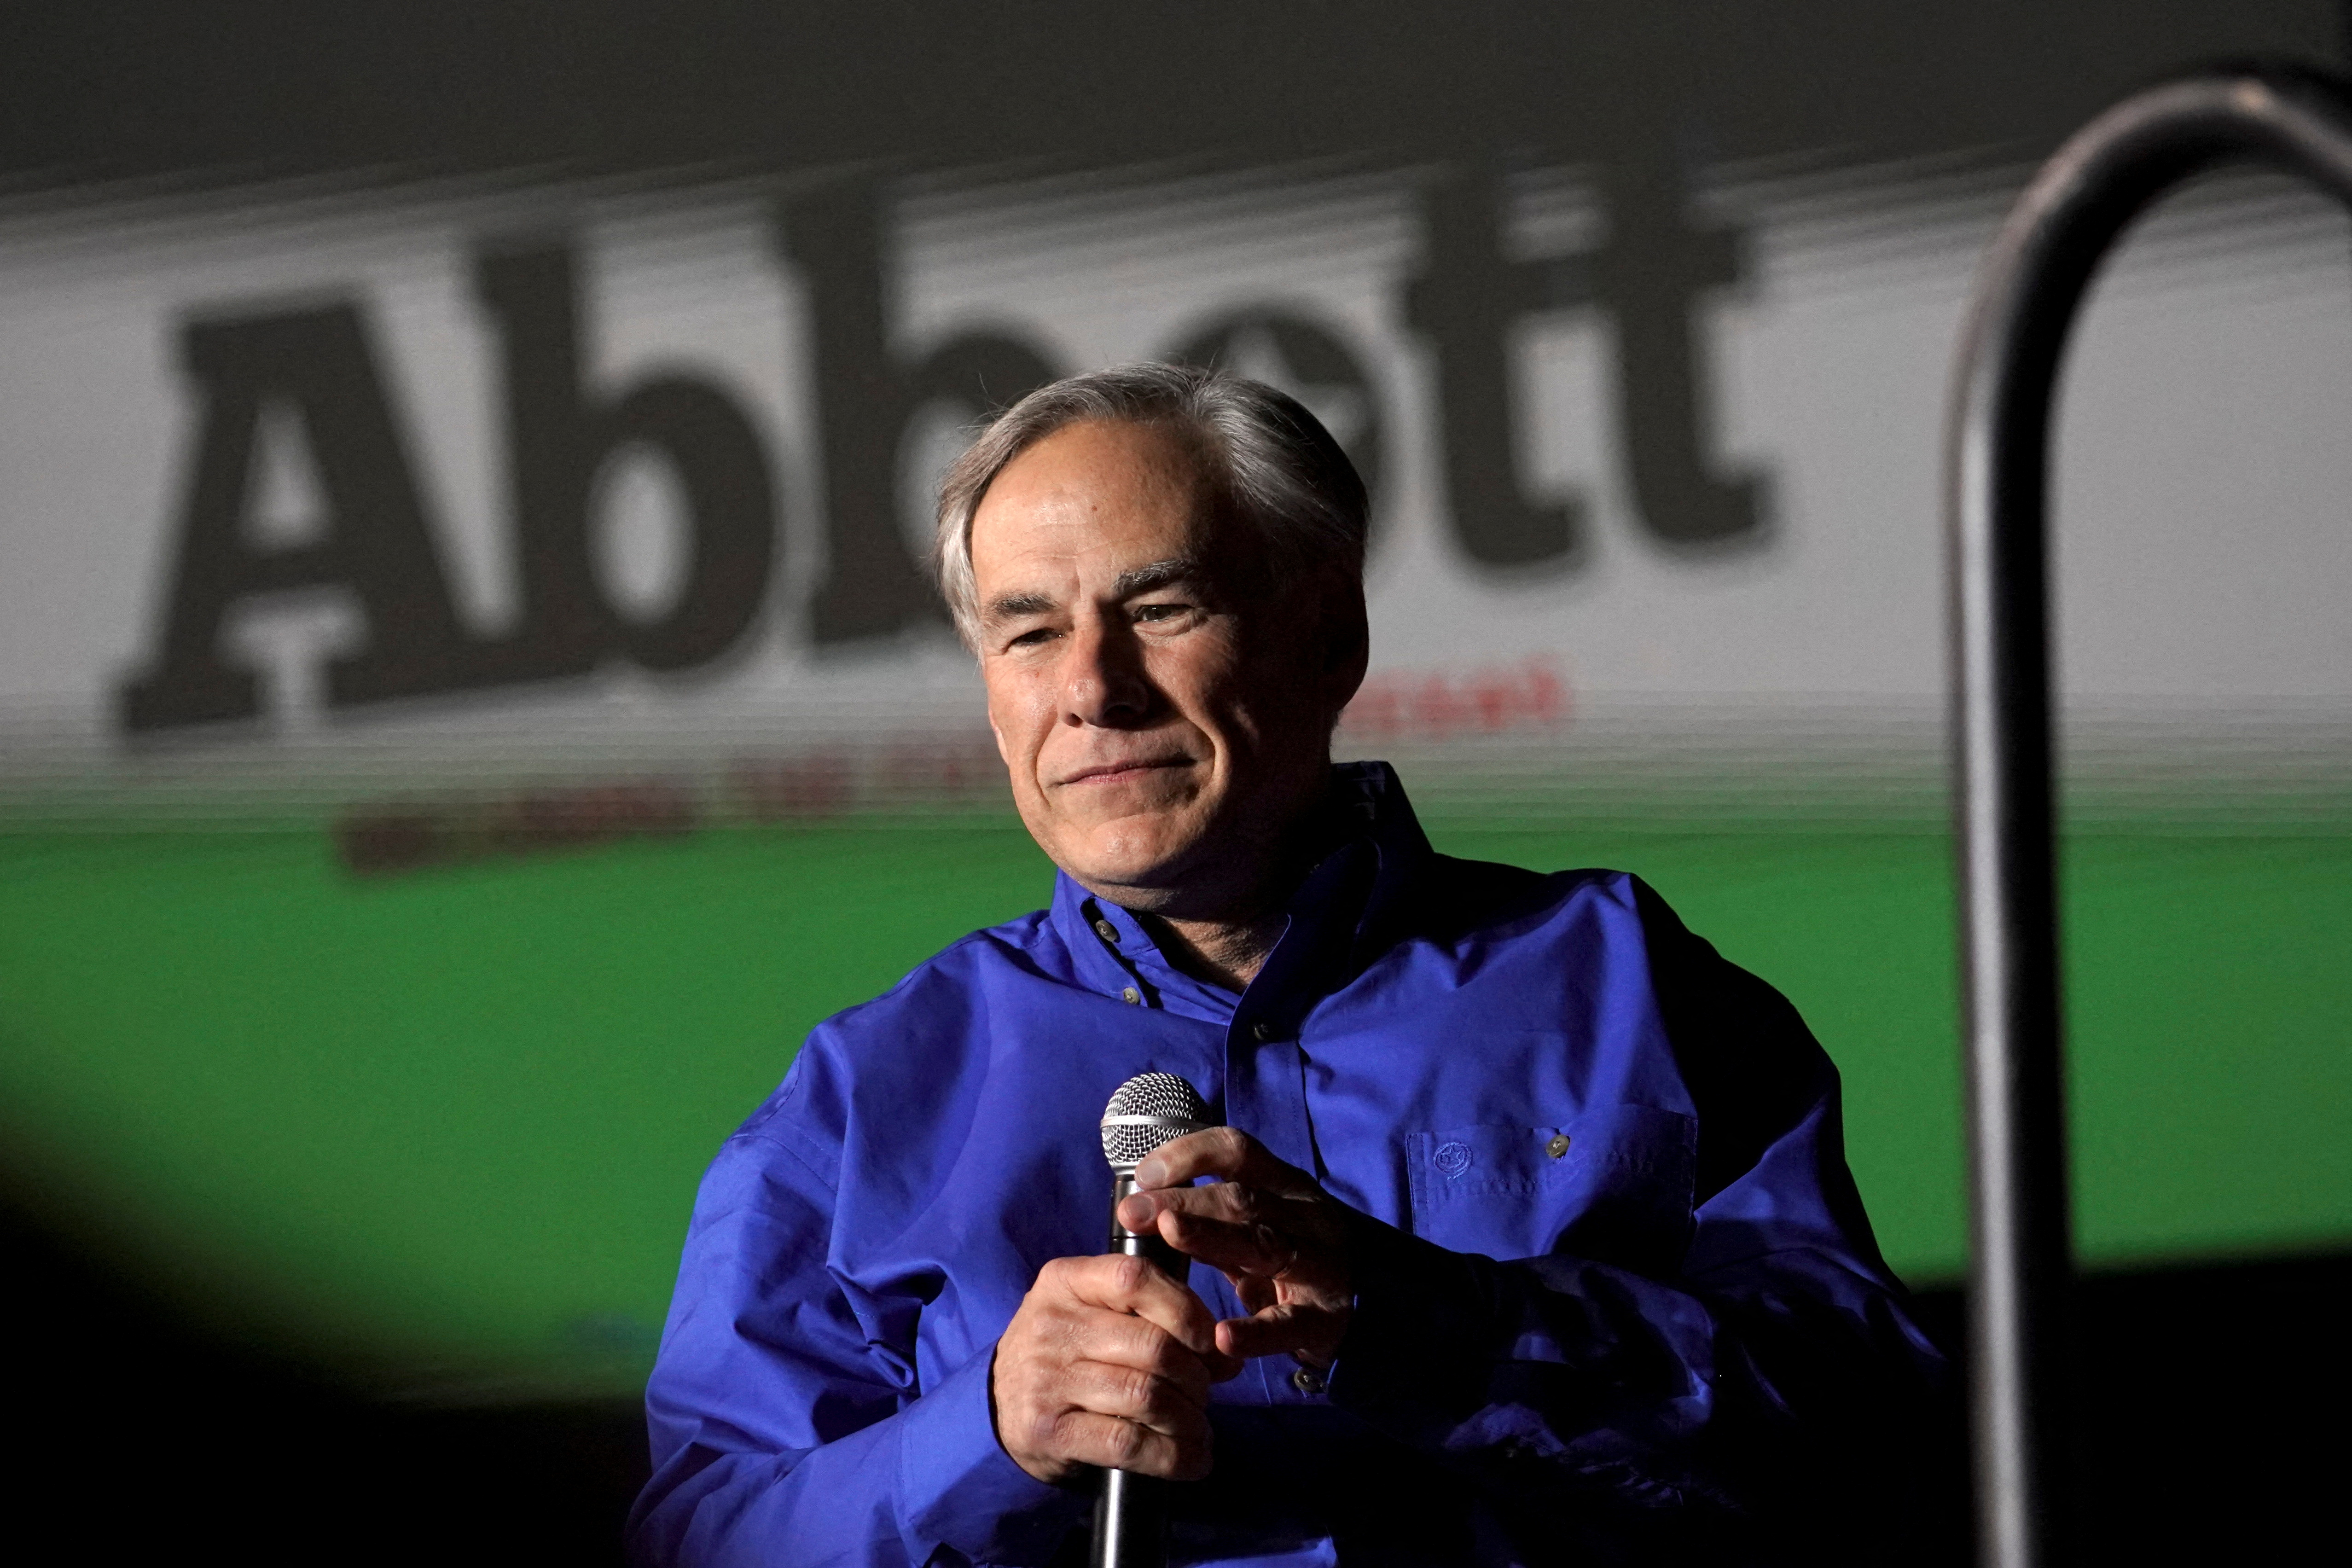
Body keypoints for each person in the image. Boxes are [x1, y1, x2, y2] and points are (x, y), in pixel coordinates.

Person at [629, 365, 1948, 1568]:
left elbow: (1879, 1432)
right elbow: (698, 1539)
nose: (1094, 688)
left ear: (1329, 638)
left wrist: (1436, 1324)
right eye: (1030, 634)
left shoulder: (1620, 983)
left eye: (1161, 607)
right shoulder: (862, 1099)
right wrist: (986, 1437)